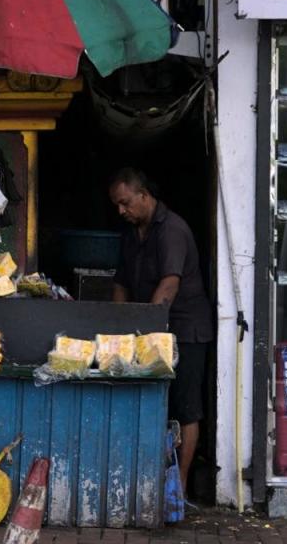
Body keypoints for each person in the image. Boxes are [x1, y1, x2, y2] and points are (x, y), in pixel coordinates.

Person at [108, 167, 214, 500]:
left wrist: (148, 329)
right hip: (149, 329)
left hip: (185, 330)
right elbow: (121, 282)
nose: (121, 211)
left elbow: (169, 283)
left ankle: (178, 486)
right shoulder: (131, 233)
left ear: (144, 195)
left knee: (186, 408)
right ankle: (150, 479)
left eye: (125, 203)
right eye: (117, 205)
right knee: (154, 402)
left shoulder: (172, 230)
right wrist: (120, 326)